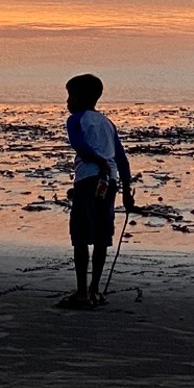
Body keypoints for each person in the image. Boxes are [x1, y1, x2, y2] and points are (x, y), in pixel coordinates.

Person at [61, 73, 133, 310]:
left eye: (70, 96)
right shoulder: (107, 123)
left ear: (81, 97)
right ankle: (95, 289)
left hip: (88, 180)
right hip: (109, 182)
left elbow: (78, 145)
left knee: (80, 234)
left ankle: (82, 292)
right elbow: (121, 159)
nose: (67, 102)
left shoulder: (76, 120)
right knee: (102, 234)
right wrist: (126, 190)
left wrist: (97, 160)